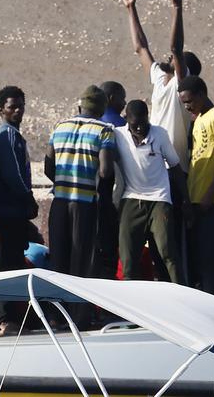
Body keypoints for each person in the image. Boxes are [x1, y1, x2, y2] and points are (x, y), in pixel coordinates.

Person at [119, 0, 200, 172]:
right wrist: (131, 8)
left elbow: (176, 48)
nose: (169, 58)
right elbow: (140, 48)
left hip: (174, 168)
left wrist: (177, 7)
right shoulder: (160, 77)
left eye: (176, 60)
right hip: (153, 164)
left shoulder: (180, 86)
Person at [44, 86, 116, 280]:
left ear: (80, 107)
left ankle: (57, 309)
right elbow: (105, 170)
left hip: (59, 203)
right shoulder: (105, 131)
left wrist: (64, 182)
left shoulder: (60, 127)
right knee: (82, 263)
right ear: (101, 110)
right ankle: (78, 310)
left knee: (58, 261)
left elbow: (48, 168)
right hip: (85, 206)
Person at [115, 100, 188, 283]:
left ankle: (182, 294)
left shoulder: (160, 134)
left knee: (167, 251)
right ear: (126, 120)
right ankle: (128, 305)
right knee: (128, 256)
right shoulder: (118, 135)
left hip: (159, 199)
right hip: (131, 198)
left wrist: (186, 200)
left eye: (143, 122)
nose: (139, 127)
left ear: (148, 117)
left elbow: (175, 167)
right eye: (134, 124)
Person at [0, 86, 38, 335]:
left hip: (11, 209)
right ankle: (7, 316)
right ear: (1, 111)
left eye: (20, 106)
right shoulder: (7, 136)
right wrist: (28, 198)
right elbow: (13, 175)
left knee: (12, 259)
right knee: (10, 262)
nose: (17, 111)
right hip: (10, 210)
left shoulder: (13, 135)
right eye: (11, 107)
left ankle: (3, 314)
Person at [179, 76, 214, 296]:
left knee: (210, 260)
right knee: (197, 258)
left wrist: (210, 192)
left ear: (202, 94)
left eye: (190, 101)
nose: (187, 106)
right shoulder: (198, 118)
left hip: (212, 200)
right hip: (196, 199)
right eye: (184, 103)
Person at [95, 81, 127, 279]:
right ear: (112, 98)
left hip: (87, 199)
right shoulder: (120, 126)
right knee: (109, 253)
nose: (124, 103)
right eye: (122, 98)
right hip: (112, 200)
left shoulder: (90, 124)